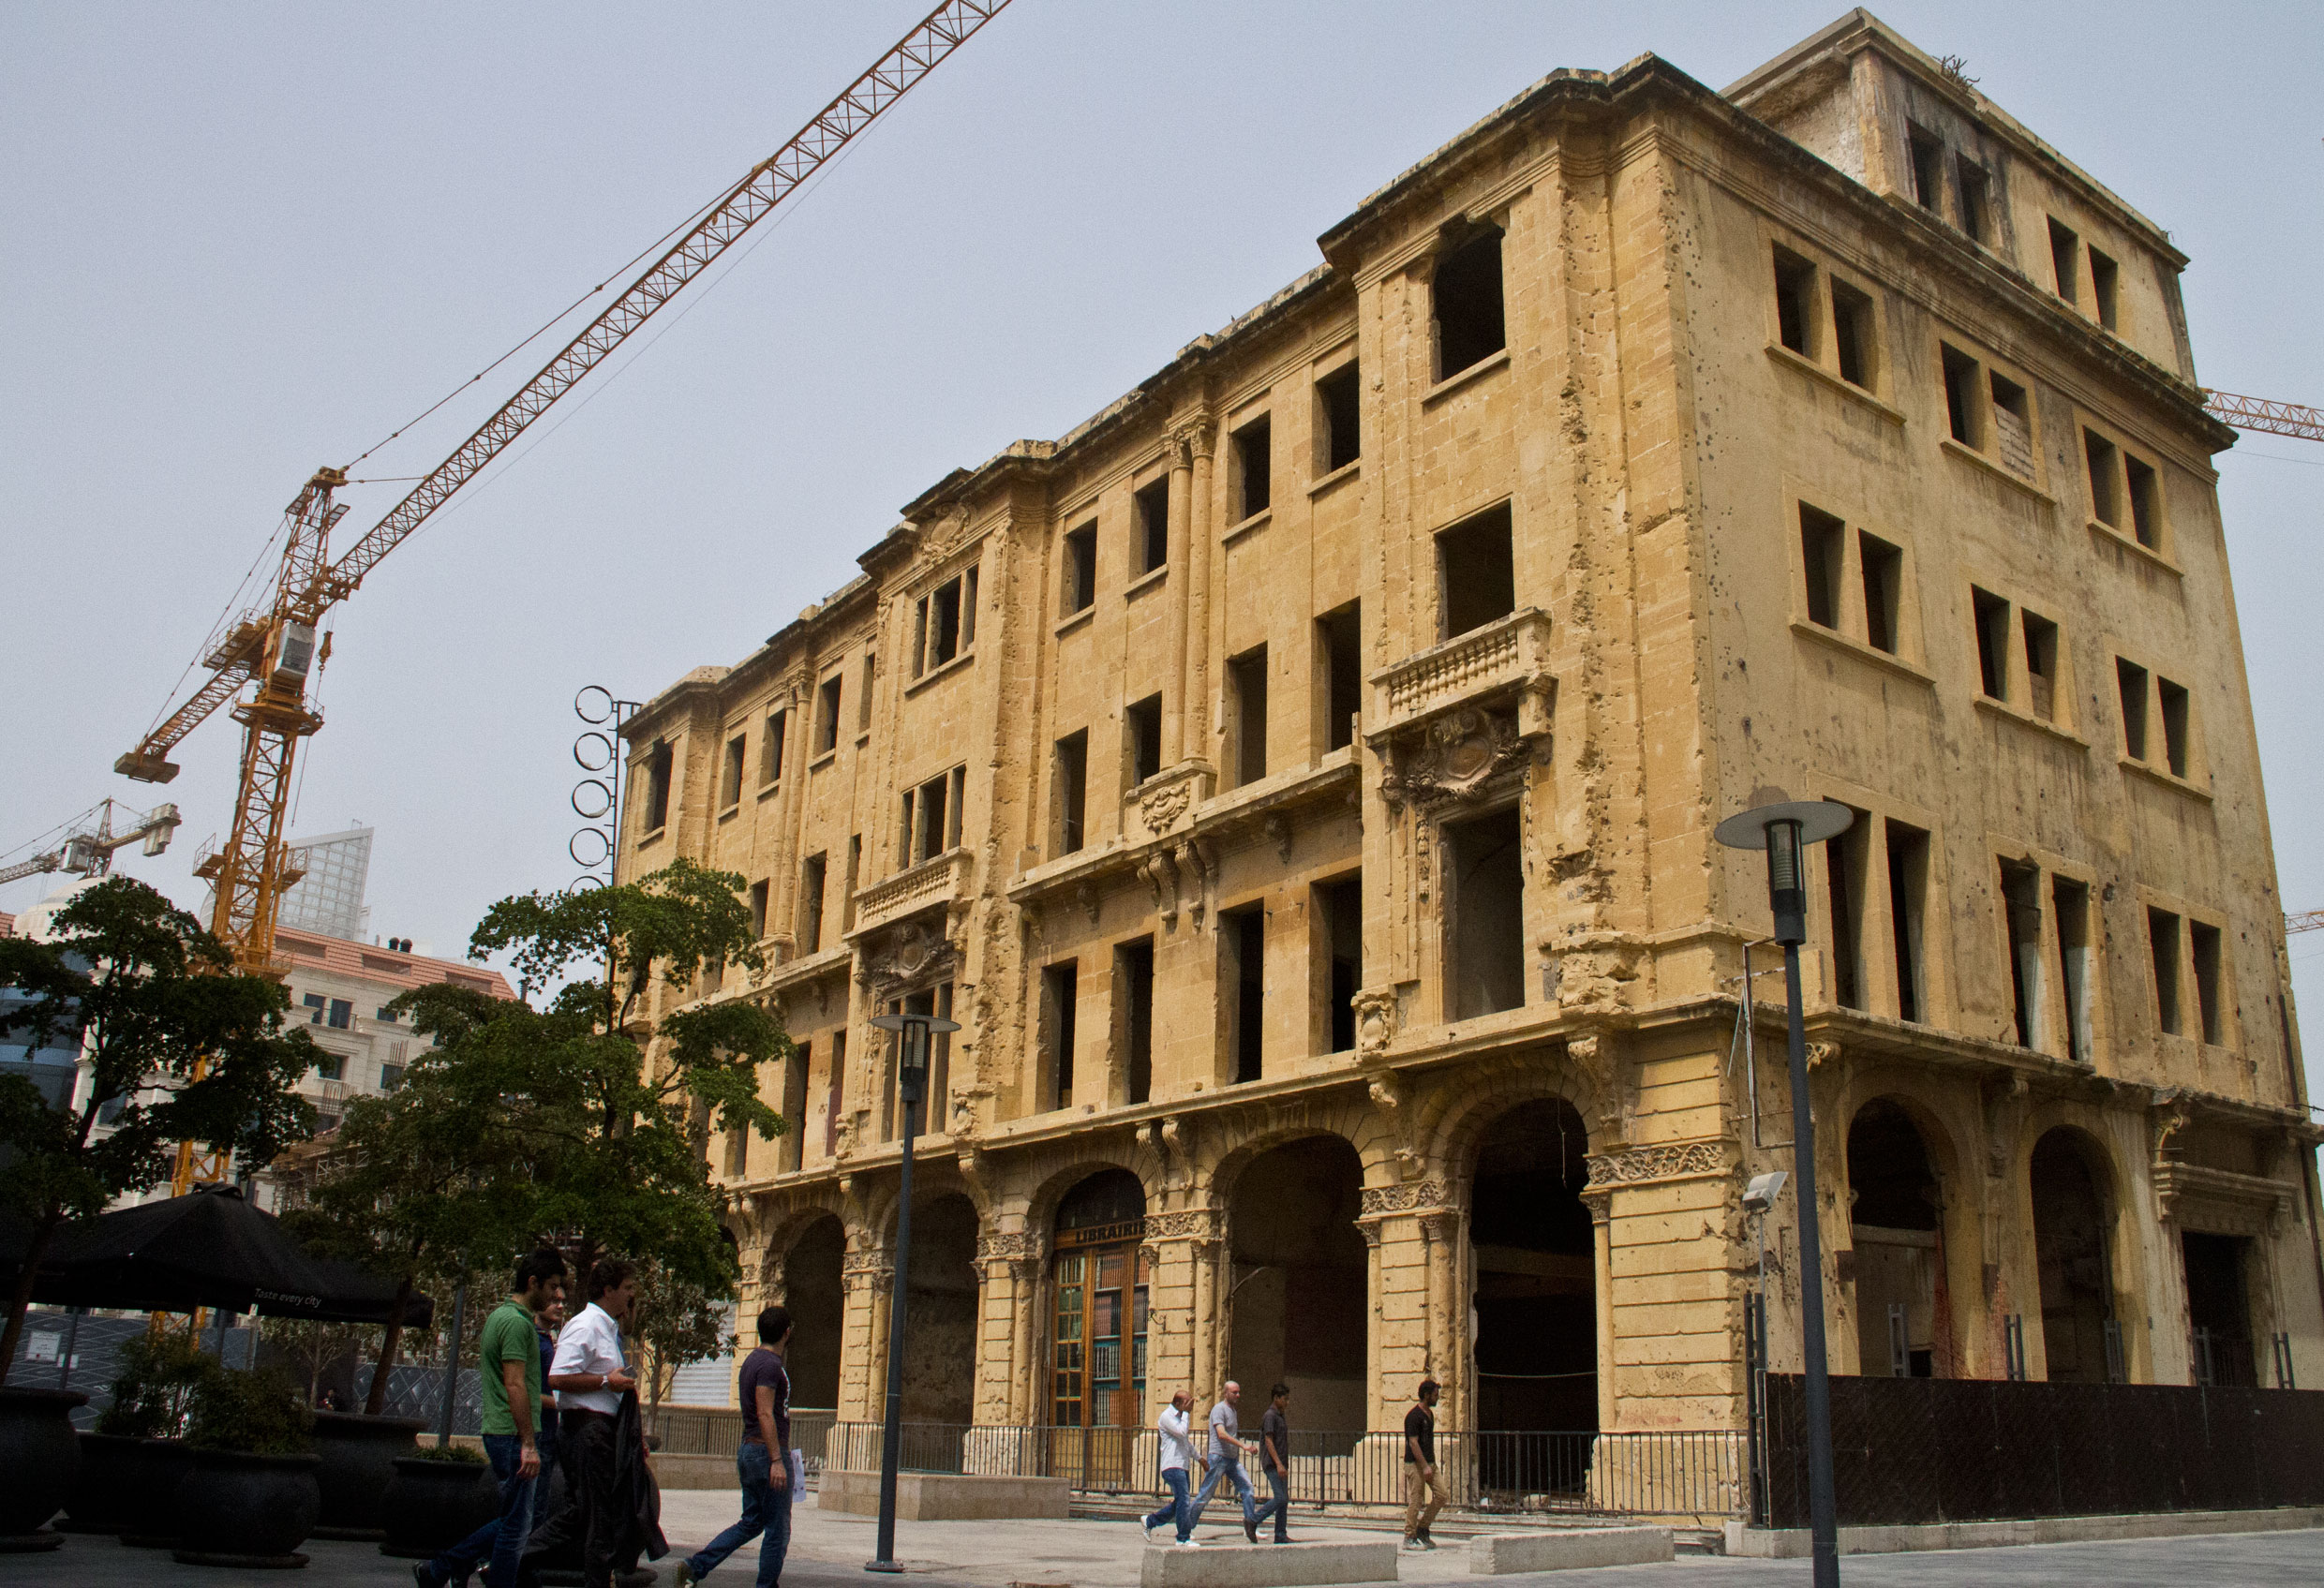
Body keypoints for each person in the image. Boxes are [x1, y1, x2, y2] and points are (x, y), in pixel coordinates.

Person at [414, 1247, 567, 1588]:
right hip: (512, 1435)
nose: (557, 1294)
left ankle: (443, 1568)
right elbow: (515, 1384)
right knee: (516, 1526)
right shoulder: (516, 1324)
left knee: (514, 1519)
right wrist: (529, 1442)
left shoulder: (503, 1317)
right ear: (533, 1283)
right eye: (552, 1286)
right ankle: (443, 1567)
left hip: (503, 1433)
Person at [675, 1305, 795, 1588]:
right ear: (786, 1332)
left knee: (752, 1521)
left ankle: (695, 1566)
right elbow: (765, 1412)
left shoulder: (752, 1360)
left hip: (751, 1451)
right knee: (777, 1529)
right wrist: (777, 1459)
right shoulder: (770, 1365)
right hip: (766, 1454)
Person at [548, 1257, 642, 1588]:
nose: (632, 1295)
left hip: (603, 1429)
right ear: (608, 1290)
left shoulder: (609, 1329)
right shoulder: (586, 1325)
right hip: (586, 1429)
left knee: (582, 1515)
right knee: (598, 1521)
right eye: (628, 1288)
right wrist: (606, 1382)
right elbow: (558, 1377)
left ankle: (510, 1560)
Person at [1186, 1380, 1259, 1543]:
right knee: (1206, 1493)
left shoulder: (1233, 1410)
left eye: (1239, 1392)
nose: (1238, 1395)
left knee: (1247, 1488)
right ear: (1225, 1393)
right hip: (1218, 1457)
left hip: (1232, 1459)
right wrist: (1243, 1446)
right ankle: (1186, 1528)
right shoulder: (1219, 1409)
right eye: (1234, 1392)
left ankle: (1250, 1527)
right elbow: (1221, 1434)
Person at [1140, 1389, 1197, 1547]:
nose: (1188, 1406)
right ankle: (1183, 1538)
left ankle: (1150, 1521)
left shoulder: (1180, 1417)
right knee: (1184, 1500)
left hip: (1182, 1465)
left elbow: (1185, 1442)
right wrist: (1186, 1413)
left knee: (1181, 1502)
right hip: (1172, 1465)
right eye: (1186, 1403)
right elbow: (1181, 1432)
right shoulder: (1167, 1416)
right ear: (1177, 1403)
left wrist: (1200, 1458)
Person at [1401, 1377, 1447, 1551]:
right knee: (1417, 1499)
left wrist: (1430, 1464)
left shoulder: (1430, 1414)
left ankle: (1422, 1528)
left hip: (1430, 1463)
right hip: (1415, 1464)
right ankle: (1409, 1536)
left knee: (1442, 1495)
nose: (1437, 1398)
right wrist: (1424, 1466)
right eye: (1435, 1395)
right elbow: (1413, 1443)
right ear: (1426, 1395)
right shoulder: (1413, 1416)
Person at [1255, 1383, 1292, 1544]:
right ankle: (1253, 1520)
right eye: (1285, 1399)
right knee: (1280, 1498)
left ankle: (1280, 1533)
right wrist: (1278, 1464)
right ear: (1276, 1398)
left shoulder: (1279, 1415)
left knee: (1284, 1498)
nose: (1287, 1402)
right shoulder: (1270, 1416)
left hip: (1281, 1463)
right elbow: (1269, 1441)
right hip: (1273, 1463)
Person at [537, 1293, 567, 1486]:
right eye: (554, 1301)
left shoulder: (548, 1339)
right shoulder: (533, 1339)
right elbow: (523, 1390)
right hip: (536, 1434)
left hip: (549, 1433)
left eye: (563, 1302)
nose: (560, 1306)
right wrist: (563, 1403)